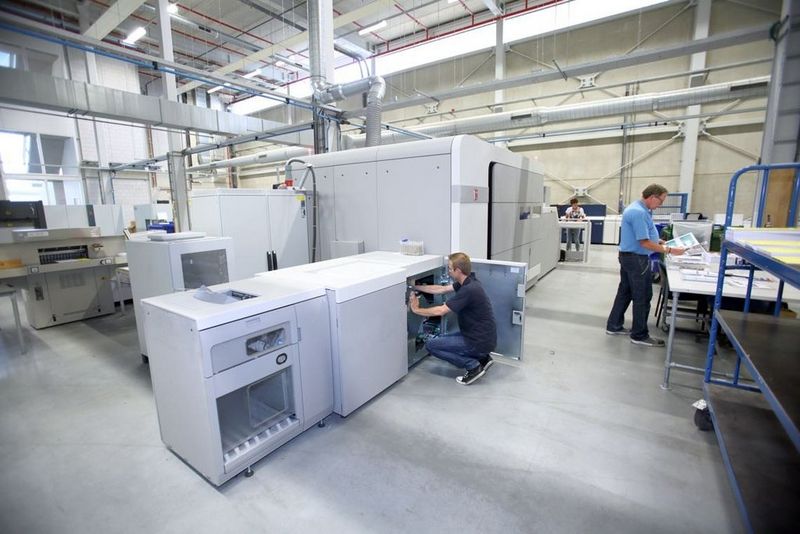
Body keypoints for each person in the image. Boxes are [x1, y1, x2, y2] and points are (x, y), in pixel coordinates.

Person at [606, 184, 686, 347]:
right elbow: (644, 242)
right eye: (661, 201)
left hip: (630, 257)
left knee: (625, 292)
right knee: (642, 296)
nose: (661, 204)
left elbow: (646, 236)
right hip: (636, 259)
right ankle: (639, 335)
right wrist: (670, 250)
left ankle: (614, 326)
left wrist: (662, 242)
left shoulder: (640, 209)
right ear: (652, 197)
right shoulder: (638, 212)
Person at [409, 252, 497, 385]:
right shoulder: (469, 281)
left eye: (450, 268)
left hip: (477, 341)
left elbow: (441, 311)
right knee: (445, 338)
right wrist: (415, 286)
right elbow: (441, 289)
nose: (448, 271)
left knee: (431, 345)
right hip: (483, 338)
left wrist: (416, 309)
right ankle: (483, 358)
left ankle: (473, 366)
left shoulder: (468, 290)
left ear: (458, 270)